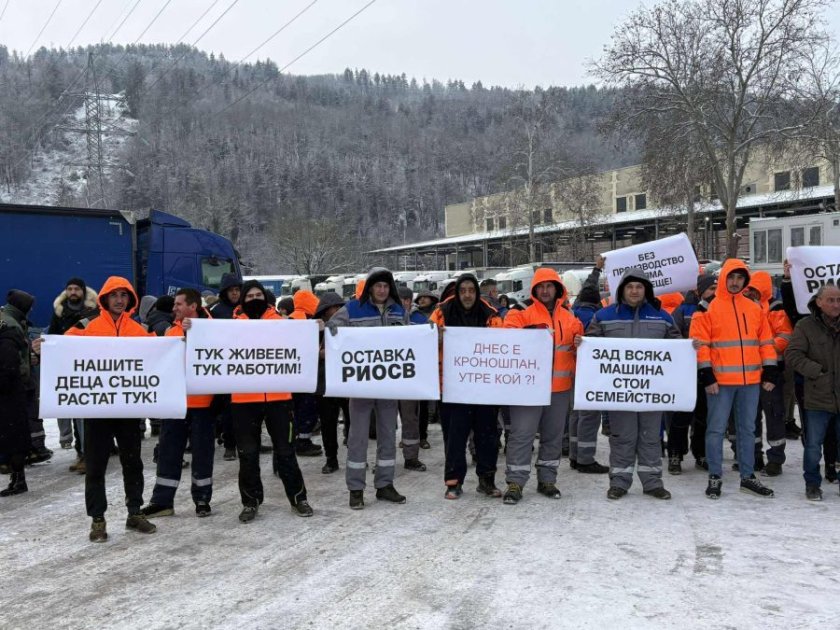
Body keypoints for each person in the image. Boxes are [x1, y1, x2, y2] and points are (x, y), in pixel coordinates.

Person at [66, 276, 156, 542]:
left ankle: (134, 512)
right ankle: (97, 519)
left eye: (124, 295)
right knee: (95, 466)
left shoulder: (139, 329)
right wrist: (42, 347)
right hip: (97, 411)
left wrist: (182, 339)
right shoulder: (88, 326)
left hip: (129, 411)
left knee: (133, 463)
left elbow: (161, 353)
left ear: (130, 299)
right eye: (114, 295)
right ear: (105, 298)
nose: (119, 300)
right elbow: (62, 348)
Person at [581, 268, 682, 500]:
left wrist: (690, 348)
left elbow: (677, 346)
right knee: (622, 437)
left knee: (650, 437)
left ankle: (653, 482)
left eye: (639, 287)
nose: (634, 291)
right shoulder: (604, 316)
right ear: (622, 290)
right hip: (619, 392)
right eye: (629, 287)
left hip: (652, 391)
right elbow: (592, 346)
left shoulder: (662, 317)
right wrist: (582, 343)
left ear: (646, 290)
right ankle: (619, 482)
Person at [690, 259, 777, 500]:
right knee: (716, 430)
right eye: (731, 277)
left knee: (748, 430)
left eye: (740, 278)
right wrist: (707, 375)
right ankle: (715, 476)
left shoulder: (754, 308)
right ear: (724, 278)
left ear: (745, 281)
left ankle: (747, 476)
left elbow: (765, 342)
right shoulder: (707, 308)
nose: (735, 282)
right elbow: (701, 346)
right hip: (720, 383)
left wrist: (770, 370)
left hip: (750, 382)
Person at [230, 279, 312, 522]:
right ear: (243, 300)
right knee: (248, 454)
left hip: (279, 399)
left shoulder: (281, 322)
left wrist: (314, 327)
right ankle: (250, 501)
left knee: (286, 452)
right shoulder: (231, 326)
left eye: (258, 295)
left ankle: (298, 498)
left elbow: (300, 341)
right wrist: (190, 328)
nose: (254, 299)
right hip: (244, 400)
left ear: (265, 298)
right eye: (249, 296)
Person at [328, 267, 409, 510]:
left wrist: (434, 331)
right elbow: (333, 327)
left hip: (388, 385)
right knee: (358, 437)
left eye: (385, 286)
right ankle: (356, 489)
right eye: (378, 286)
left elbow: (414, 337)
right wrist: (328, 330)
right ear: (370, 288)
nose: (382, 290)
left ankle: (385, 484)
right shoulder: (353, 309)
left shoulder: (399, 310)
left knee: (388, 435)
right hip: (361, 385)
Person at [502, 268, 583, 504]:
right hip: (527, 388)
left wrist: (580, 342)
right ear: (534, 289)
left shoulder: (570, 317)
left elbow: (579, 348)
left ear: (558, 289)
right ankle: (515, 482)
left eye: (549, 286)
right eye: (541, 286)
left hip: (559, 389)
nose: (545, 290)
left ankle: (547, 479)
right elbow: (507, 339)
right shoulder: (520, 313)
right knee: (522, 435)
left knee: (553, 437)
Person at [141, 289, 217, 519]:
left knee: (202, 453)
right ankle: (162, 501)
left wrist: (196, 331)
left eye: (178, 304)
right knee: (168, 452)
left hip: (203, 404)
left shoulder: (212, 327)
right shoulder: (171, 331)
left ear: (192, 306)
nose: (174, 308)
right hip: (175, 404)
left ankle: (202, 499)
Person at [430, 274, 503, 499]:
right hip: (451, 388)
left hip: (484, 388)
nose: (467, 295)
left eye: (471, 290)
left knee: (487, 436)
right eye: (463, 291)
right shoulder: (441, 313)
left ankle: (487, 479)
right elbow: (423, 341)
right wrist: (436, 339)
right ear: (457, 292)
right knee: (454, 437)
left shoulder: (490, 313)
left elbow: (503, 342)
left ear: (477, 292)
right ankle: (453, 481)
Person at [785, 284, 840, 501]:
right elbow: (793, 355)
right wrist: (817, 372)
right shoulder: (805, 326)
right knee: (814, 445)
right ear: (819, 302)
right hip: (818, 396)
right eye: (831, 300)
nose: (836, 304)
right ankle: (812, 484)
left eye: (839, 300)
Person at [667, 275, 716, 474]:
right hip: (686, 374)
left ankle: (701, 453)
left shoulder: (719, 309)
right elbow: (673, 335)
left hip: (709, 372)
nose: (714, 293)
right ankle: (675, 454)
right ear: (700, 291)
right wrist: (687, 346)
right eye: (711, 288)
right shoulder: (683, 310)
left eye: (716, 288)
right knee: (681, 416)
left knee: (703, 417)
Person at [744, 271, 792, 477]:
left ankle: (775, 460)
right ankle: (755, 456)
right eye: (749, 289)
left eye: (754, 289)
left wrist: (763, 348)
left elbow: (785, 337)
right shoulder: (745, 307)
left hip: (772, 373)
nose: (750, 293)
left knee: (774, 416)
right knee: (750, 418)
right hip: (749, 372)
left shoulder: (776, 308)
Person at [48, 278, 99, 467]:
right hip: (67, 366)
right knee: (75, 410)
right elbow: (53, 336)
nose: (73, 292)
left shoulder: (92, 312)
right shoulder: (59, 312)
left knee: (86, 414)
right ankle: (81, 453)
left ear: (83, 291)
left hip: (88, 366)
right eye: (69, 289)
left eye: (76, 289)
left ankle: (90, 454)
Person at [568, 261, 610, 475]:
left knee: (576, 414)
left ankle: (574, 455)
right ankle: (585, 459)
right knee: (590, 415)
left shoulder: (571, 313)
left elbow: (589, 285)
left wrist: (596, 270)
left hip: (572, 372)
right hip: (591, 373)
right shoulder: (597, 317)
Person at [0, 290, 36, 497]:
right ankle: (17, 478)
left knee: (14, 435)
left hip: (10, 390)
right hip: (12, 389)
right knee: (15, 434)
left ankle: (18, 479)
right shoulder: (12, 326)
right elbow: (11, 362)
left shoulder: (7, 322)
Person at [207, 273, 241, 460]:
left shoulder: (246, 308)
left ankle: (249, 441)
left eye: (237, 290)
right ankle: (230, 445)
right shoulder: (215, 310)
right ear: (224, 292)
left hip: (246, 365)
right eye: (231, 290)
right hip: (224, 367)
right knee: (228, 409)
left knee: (247, 410)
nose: (235, 293)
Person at [313, 292, 346, 474]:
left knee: (353, 422)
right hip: (324, 383)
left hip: (346, 380)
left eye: (340, 307)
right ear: (325, 311)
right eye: (335, 308)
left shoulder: (349, 327)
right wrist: (320, 354)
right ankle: (331, 459)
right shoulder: (315, 329)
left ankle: (355, 456)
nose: (338, 311)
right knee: (328, 423)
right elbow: (304, 352)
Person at [289, 289, 324, 457]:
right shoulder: (310, 321)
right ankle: (303, 441)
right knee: (306, 408)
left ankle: (296, 439)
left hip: (292, 373)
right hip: (306, 373)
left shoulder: (290, 319)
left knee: (296, 409)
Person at [396, 286, 428, 472]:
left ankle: (411, 457)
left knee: (410, 418)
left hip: (410, 376)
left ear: (409, 301)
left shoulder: (420, 319)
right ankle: (384, 459)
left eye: (403, 300)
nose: (400, 303)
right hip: (390, 377)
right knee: (387, 421)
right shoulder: (390, 317)